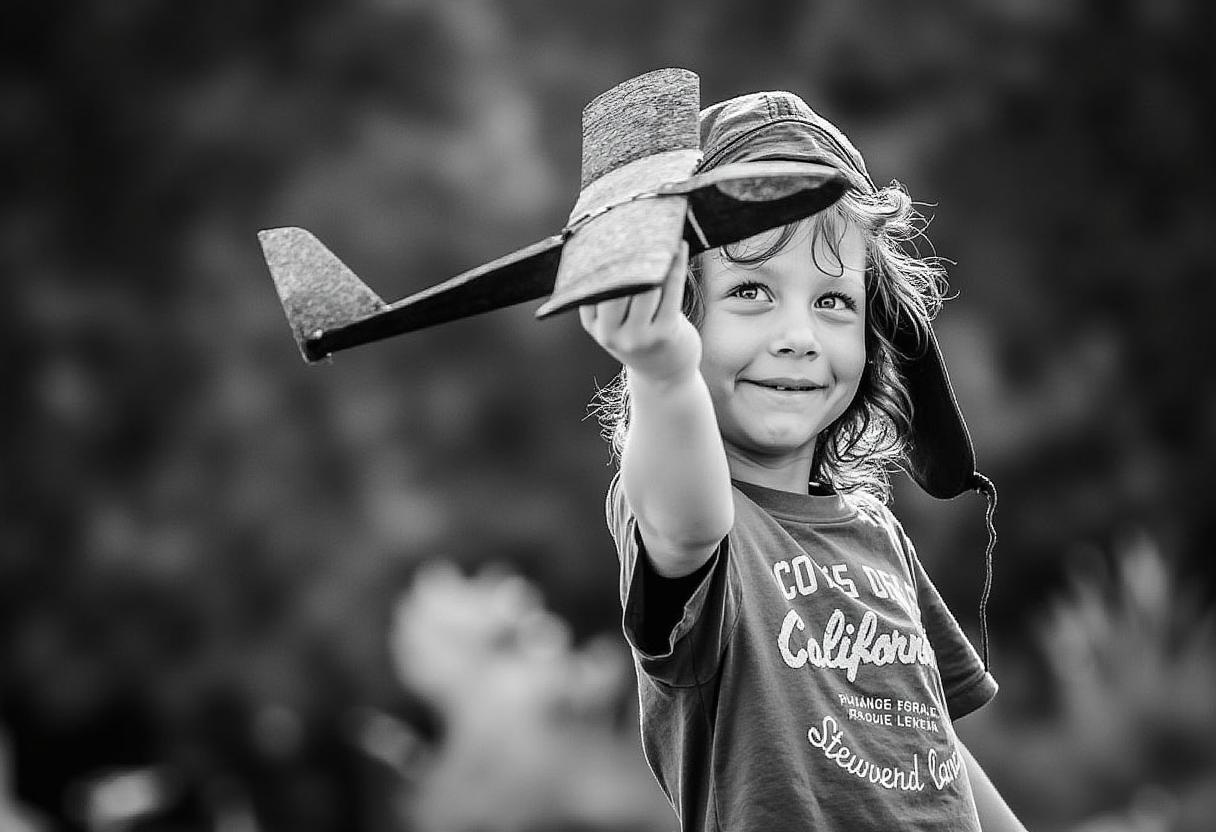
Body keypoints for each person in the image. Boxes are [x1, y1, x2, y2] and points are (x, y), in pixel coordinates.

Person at [578, 89, 1028, 831]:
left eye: (833, 302)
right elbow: (685, 522)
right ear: (680, 316)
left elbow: (929, 740)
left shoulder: (877, 534)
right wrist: (659, 366)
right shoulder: (698, 535)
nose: (800, 335)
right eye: (751, 290)